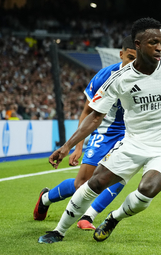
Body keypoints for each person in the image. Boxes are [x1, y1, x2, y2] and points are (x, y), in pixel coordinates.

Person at [38, 17, 161, 244]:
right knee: (93, 183)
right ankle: (58, 231)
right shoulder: (119, 79)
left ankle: (114, 218)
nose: (159, 47)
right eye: (152, 42)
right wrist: (67, 146)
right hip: (133, 144)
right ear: (137, 44)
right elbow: (94, 116)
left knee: (147, 189)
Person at [33, 35, 137, 231]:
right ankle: (46, 198)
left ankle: (88, 216)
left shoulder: (146, 75)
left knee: (121, 175)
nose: (134, 64)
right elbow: (88, 112)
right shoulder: (106, 76)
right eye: (130, 58)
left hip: (130, 134)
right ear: (121, 54)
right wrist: (78, 146)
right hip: (105, 131)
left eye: (138, 60)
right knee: (82, 184)